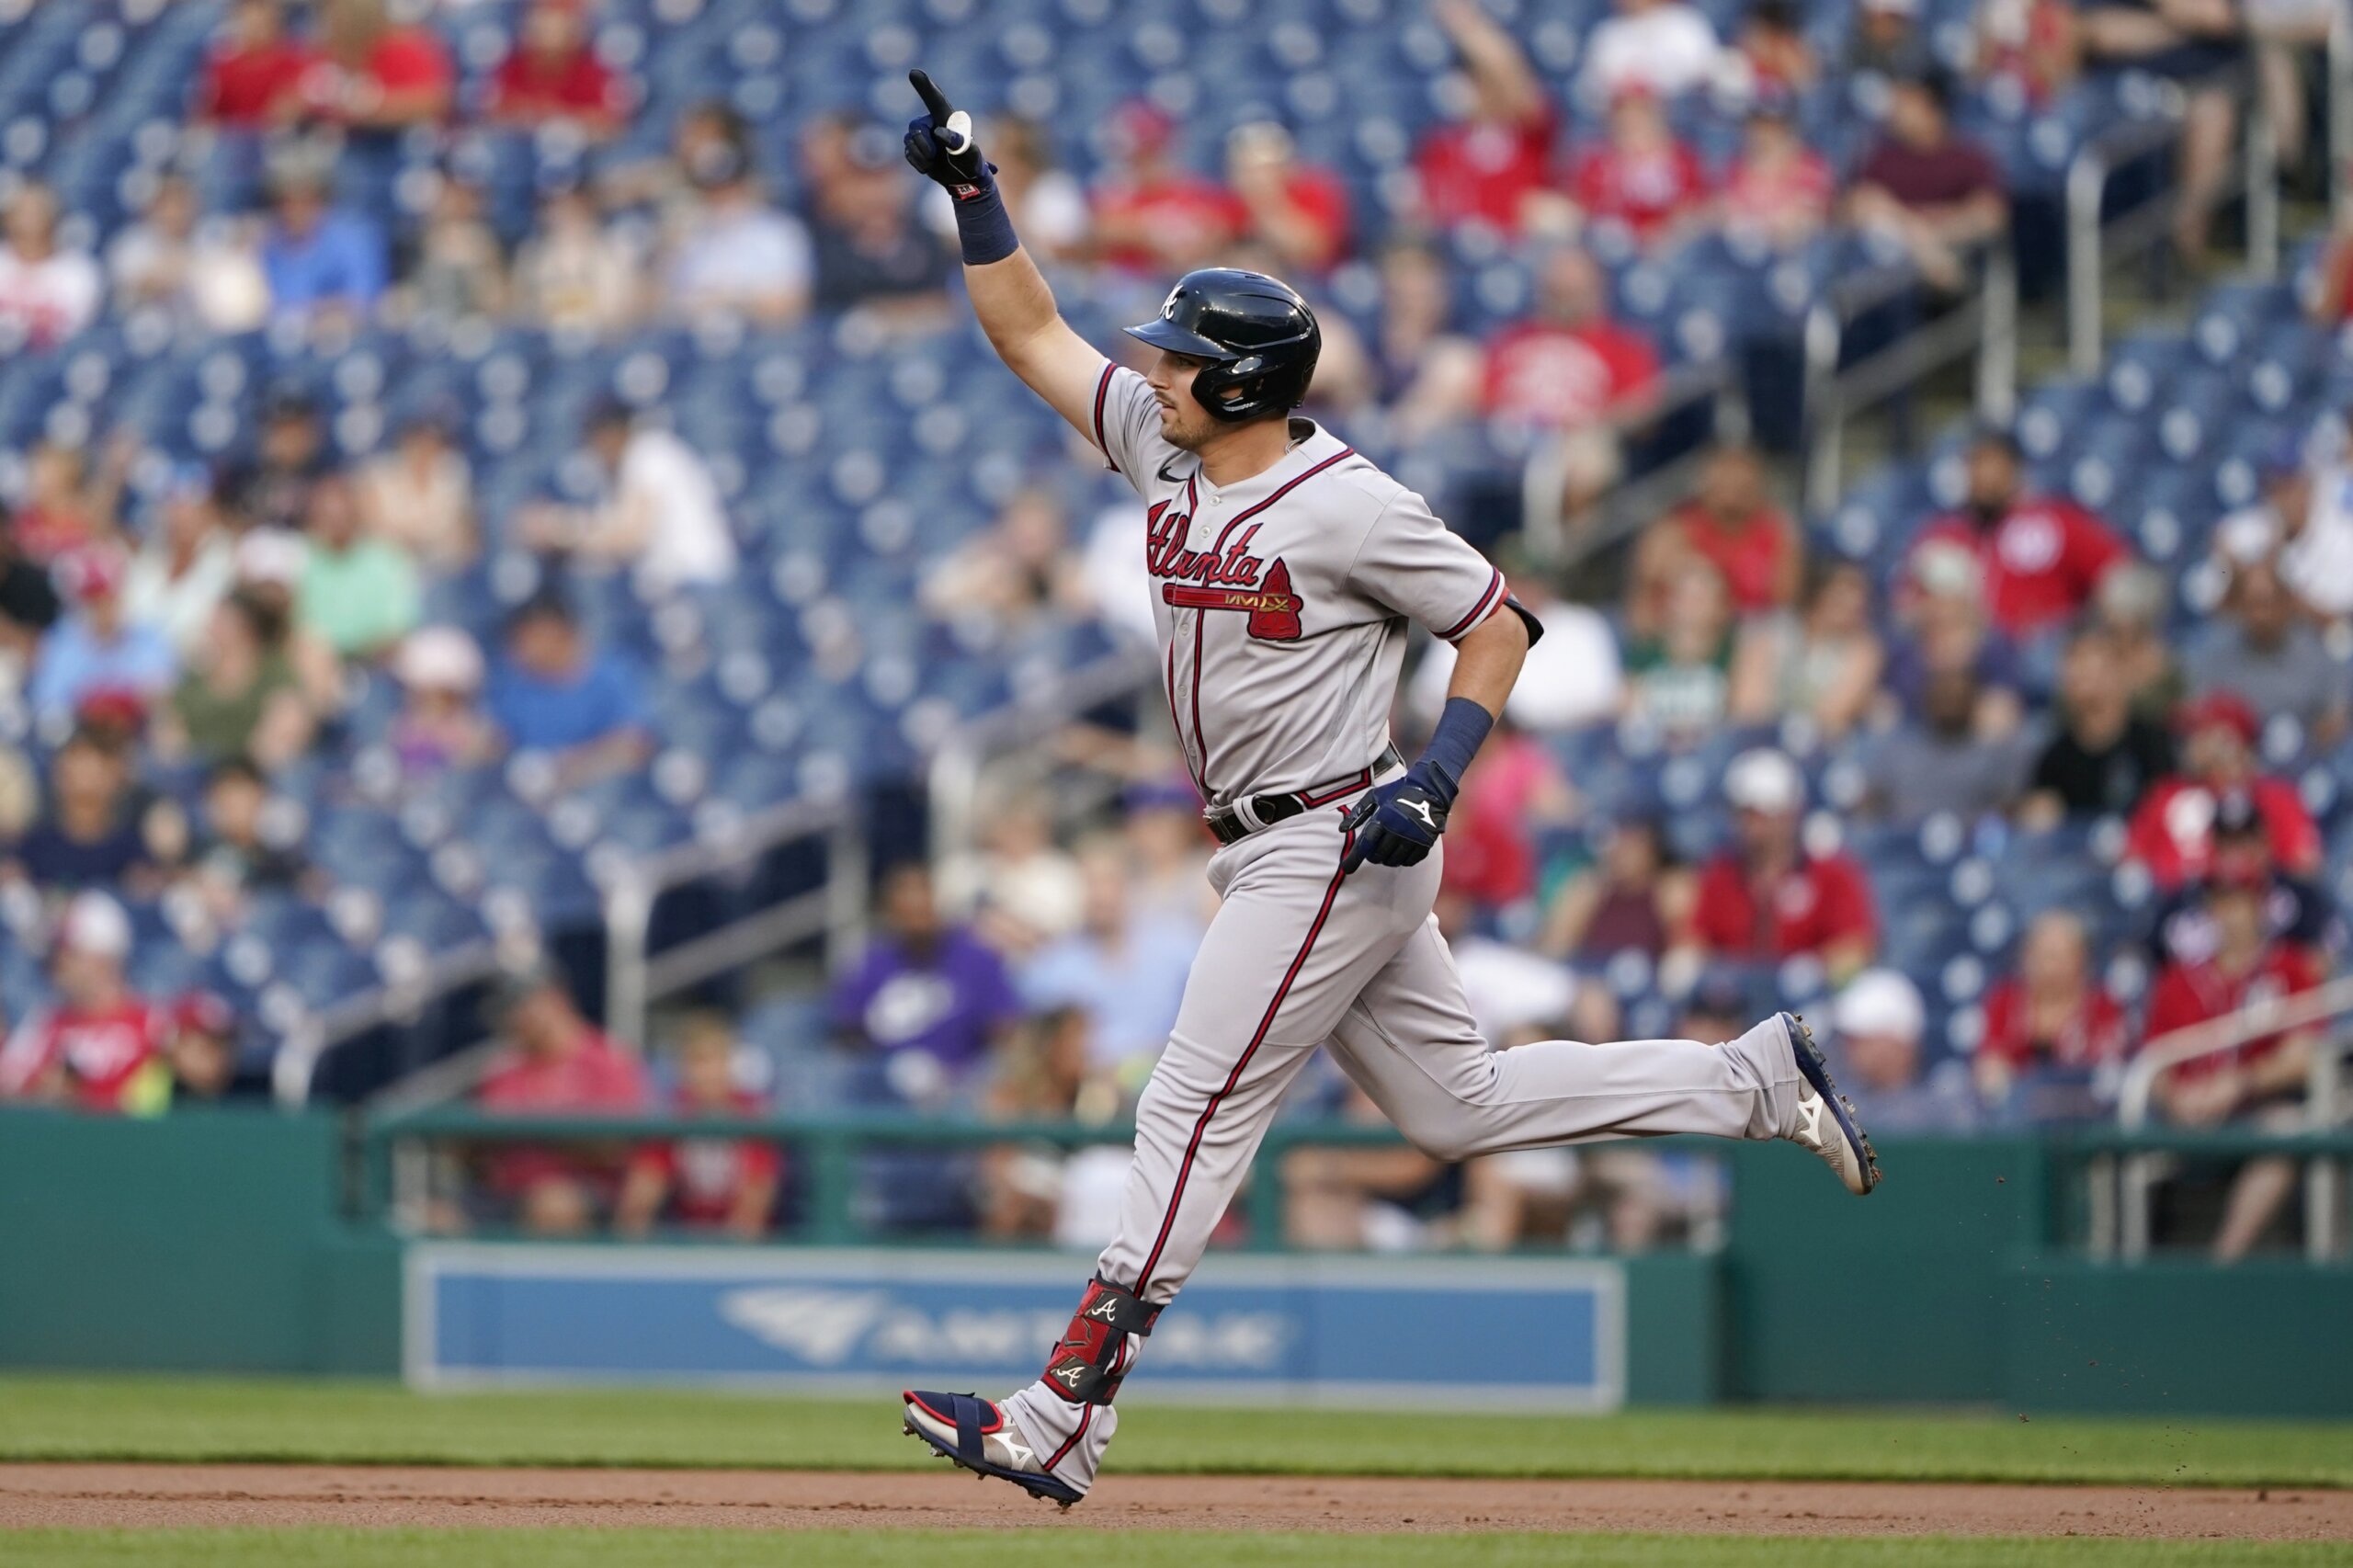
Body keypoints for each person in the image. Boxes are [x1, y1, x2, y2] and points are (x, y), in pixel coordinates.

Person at [895, 68, 1880, 1506]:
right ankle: (1749, 1077)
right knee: (1456, 1106)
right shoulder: (1165, 455)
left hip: (1334, 832)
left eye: (1178, 356)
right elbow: (1029, 330)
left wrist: (1441, 773)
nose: (1154, 369)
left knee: (1189, 1103)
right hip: (1278, 840)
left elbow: (1499, 621)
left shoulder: (1345, 497)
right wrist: (975, 190)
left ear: (1240, 381)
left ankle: (1064, 1414)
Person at [2142, 861, 2325, 1260]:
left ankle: (2221, 1263)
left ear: (2261, 906)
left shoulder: (2289, 967)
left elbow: (2305, 1055)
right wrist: (2176, 1097)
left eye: (2242, 900)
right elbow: (2152, 1063)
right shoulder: (2179, 979)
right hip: (2186, 1119)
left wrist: (2238, 1084)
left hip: (2255, 1112)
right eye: (2221, 901)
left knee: (2287, 1129)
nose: (2231, 913)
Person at [1479, 245, 1662, 524]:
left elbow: (1643, 411)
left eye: (1574, 292)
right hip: (1509, 435)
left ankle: (1565, 563)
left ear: (1597, 291)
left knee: (1587, 469)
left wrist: (1586, 425)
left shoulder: (1623, 346)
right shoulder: (1513, 338)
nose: (1565, 301)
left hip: (1581, 436)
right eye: (1556, 292)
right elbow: (1483, 397)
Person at [473, 967, 648, 1237]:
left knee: (554, 1206)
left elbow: (614, 1146)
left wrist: (538, 1127)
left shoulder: (605, 1060)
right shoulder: (505, 1067)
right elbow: (480, 1141)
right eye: (509, 1011)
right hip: (509, 1191)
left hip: (588, 1191)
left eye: (521, 1007)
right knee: (432, 1216)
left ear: (554, 1000)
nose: (515, 1019)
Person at [1906, 429, 2128, 642]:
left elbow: (2117, 574)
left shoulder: (2054, 524)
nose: (1984, 476)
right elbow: (1907, 604)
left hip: (2040, 655)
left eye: (1992, 464)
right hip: (1969, 659)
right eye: (1976, 464)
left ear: (2014, 469)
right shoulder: (1944, 536)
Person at [1686, 746, 1878, 980]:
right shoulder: (1720, 875)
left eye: (1765, 815)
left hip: (1806, 1009)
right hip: (1734, 1006)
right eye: (1746, 815)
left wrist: (1807, 976)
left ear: (1791, 814)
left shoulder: (1831, 873)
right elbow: (1694, 946)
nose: (1755, 828)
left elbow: (1853, 950)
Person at [1018, 842, 1199, 1089]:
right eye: (1091, 883)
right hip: (1081, 1095)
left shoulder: (1180, 948)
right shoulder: (1051, 966)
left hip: (1172, 1086)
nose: (1101, 895)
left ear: (1132, 886)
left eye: (1110, 881)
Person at [2075, 0, 2245, 264]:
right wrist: (2183, 26)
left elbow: (2217, 18)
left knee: (2212, 112)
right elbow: (2100, 34)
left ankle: (2184, 256)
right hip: (2115, 95)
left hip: (2201, 85)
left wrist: (2170, 23)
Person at [831, 860, 1022, 1089]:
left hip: (960, 1085)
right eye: (908, 914)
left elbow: (1004, 1028)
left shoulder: (976, 959)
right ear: (891, 915)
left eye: (924, 912)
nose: (918, 924)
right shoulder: (869, 963)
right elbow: (847, 1031)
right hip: (883, 1084)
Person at [517, 400, 736, 591]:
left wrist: (560, 529)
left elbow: (630, 536)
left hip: (698, 581)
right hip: (669, 585)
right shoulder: (614, 473)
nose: (598, 446)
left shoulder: (650, 452)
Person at [2126, 691, 2322, 890]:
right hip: (2172, 909)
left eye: (2198, 733)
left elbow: (2304, 867)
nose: (2188, 743)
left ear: (2230, 741)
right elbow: (2131, 859)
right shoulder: (2167, 793)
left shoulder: (2275, 797)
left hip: (2250, 907)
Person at [0, 892, 172, 1115]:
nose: (56, 964)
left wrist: (82, 1097)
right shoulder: (44, 1024)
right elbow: (8, 1087)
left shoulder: (155, 1025)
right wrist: (40, 1095)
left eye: (68, 953)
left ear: (104, 958)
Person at [615, 1013, 780, 1242]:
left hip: (745, 1254)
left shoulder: (753, 1117)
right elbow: (638, 1203)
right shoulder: (673, 1118)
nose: (707, 1073)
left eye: (715, 1060)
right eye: (696, 1061)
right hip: (685, 1241)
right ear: (681, 1069)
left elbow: (752, 1211)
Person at [1846, 71, 2009, 292]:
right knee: (1870, 205)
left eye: (1906, 101)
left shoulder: (1967, 156)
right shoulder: (1881, 156)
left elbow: (1992, 214)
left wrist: (1931, 231)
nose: (1896, 109)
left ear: (1930, 107)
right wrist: (1920, 240)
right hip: (1899, 270)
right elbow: (1856, 207)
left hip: (1956, 258)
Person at [1414, 0, 1563, 234]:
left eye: (1476, 78)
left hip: (1518, 249)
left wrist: (1467, 27)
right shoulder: (1442, 146)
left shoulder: (1526, 133)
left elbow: (1511, 79)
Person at [483, 592, 654, 778]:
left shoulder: (613, 676)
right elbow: (495, 743)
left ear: (560, 632)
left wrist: (573, 766)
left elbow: (635, 745)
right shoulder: (513, 690)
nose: (523, 648)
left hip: (605, 789)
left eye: (532, 637)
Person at [1631, 444, 1802, 631]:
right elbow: (1646, 598)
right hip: (1683, 634)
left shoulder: (1777, 531)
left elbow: (1785, 602)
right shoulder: (1673, 531)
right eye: (1724, 481)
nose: (1732, 491)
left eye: (1741, 485)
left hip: (1752, 634)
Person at [2185, 556, 2351, 746]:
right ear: (2239, 607)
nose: (2260, 616)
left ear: (2286, 603)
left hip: (2306, 760)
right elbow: (2197, 714)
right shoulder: (2214, 653)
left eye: (2267, 603)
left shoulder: (2317, 650)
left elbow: (2335, 718)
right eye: (2251, 605)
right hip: (2237, 763)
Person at [1976, 910, 2129, 1113]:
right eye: (2043, 955)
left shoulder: (2103, 1004)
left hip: (2085, 1112)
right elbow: (1990, 1059)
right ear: (2026, 958)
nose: (2050, 966)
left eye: (2061, 956)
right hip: (2018, 1115)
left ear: (2082, 960)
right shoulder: (2004, 1000)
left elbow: (2107, 1067)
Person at [2020, 627, 2175, 824]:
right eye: (2074, 671)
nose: (2081, 678)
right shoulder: (2055, 759)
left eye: (2091, 669)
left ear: (2118, 673)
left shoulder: (2151, 742)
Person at [808, 121, 955, 320]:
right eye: (864, 179)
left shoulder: (929, 242)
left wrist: (885, 316)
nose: (875, 193)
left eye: (884, 177)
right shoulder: (818, 241)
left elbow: (948, 310)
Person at [1726, 559, 1885, 739]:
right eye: (1840, 601)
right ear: (1818, 595)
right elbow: (1747, 708)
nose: (1848, 612)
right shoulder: (1771, 633)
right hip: (1757, 738)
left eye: (1856, 606)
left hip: (1819, 748)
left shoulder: (1863, 650)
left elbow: (1832, 716)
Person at [157, 590, 314, 771]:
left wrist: (241, 770)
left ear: (247, 627)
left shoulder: (276, 672)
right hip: (197, 769)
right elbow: (171, 728)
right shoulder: (195, 674)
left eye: (222, 619)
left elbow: (286, 725)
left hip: (257, 771)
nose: (212, 625)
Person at [661, 139, 812, 325]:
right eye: (710, 189)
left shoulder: (778, 232)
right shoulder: (692, 238)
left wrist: (730, 302)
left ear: (744, 183)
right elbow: (667, 305)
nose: (720, 196)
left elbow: (792, 304)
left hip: (761, 341)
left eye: (728, 186)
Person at [1859, 664, 2032, 824]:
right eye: (1943, 694)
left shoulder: (1994, 756)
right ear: (1926, 697)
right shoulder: (1897, 750)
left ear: (1973, 700)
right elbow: (1868, 804)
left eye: (1957, 695)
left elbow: (2009, 811)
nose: (1949, 701)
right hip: (1903, 846)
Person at [1086, 101, 1245, 276]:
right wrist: (1147, 232)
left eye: (1154, 153)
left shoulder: (1197, 191)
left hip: (1192, 279)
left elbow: (1224, 230)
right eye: (1140, 157)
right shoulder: (1115, 195)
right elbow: (1099, 234)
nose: (1147, 163)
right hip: (1137, 284)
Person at [106, 174, 270, 335]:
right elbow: (134, 290)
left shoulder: (207, 235)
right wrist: (173, 271)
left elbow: (248, 233)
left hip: (200, 331)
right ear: (153, 208)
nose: (175, 213)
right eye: (167, 205)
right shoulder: (132, 245)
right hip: (148, 332)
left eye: (181, 204)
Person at [29, 550, 177, 726]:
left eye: (110, 599)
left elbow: (164, 692)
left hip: (137, 734)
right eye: (95, 603)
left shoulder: (148, 638)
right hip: (82, 735)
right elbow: (47, 706)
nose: (105, 609)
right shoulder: (62, 644)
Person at [1564, 86, 1712, 252]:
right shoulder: (1598, 164)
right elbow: (1584, 208)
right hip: (1613, 244)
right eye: (1624, 119)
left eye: (1640, 116)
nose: (1633, 123)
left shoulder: (1682, 160)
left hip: (1669, 245)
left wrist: (1662, 231)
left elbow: (1692, 207)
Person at [1828, 969, 1977, 1132]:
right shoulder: (1839, 1105)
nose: (1848, 1048)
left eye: (1859, 1039)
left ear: (1896, 1042)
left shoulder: (1945, 1111)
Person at [296, 473, 420, 661]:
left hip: (377, 663)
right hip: (322, 665)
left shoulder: (387, 557)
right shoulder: (303, 561)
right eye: (327, 516)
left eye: (342, 515)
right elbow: (301, 629)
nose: (336, 523)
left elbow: (398, 629)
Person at [256, 155, 388, 330]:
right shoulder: (269, 242)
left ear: (320, 200)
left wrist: (313, 312)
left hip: (346, 338)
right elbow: (270, 307)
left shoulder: (353, 238)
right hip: (287, 339)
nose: (294, 210)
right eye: (285, 202)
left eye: (305, 200)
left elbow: (363, 301)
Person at [123, 467, 237, 662]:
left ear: (210, 508)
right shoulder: (150, 557)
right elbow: (128, 619)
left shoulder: (228, 559)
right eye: (173, 505)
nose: (179, 515)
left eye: (188, 505)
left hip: (198, 672)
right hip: (138, 669)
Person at [1540, 817, 1692, 961]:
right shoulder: (1590, 888)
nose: (1621, 852)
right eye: (1618, 842)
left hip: (1646, 982)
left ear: (1652, 847)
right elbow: (1553, 952)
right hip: (1591, 979)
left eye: (1631, 844)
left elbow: (1682, 959)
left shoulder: (1669, 891)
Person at [1224, 122, 1352, 274]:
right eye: (1248, 170)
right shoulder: (1229, 202)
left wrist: (1268, 203)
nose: (1258, 177)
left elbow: (1312, 251)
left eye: (1266, 168)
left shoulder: (1313, 191)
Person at [513, 182, 640, 335]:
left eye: (572, 205)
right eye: (555, 206)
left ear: (586, 205)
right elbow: (528, 309)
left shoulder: (613, 249)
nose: (564, 213)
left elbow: (619, 312)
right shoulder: (533, 255)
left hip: (603, 340)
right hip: (549, 342)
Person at [358, 406, 476, 570]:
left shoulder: (451, 477)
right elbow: (373, 531)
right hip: (387, 565)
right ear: (405, 443)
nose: (424, 451)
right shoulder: (380, 475)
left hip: (438, 568)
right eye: (418, 443)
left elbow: (462, 539)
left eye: (432, 445)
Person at [487, 0, 626, 138]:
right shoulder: (514, 68)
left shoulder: (591, 72)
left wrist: (563, 117)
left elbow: (609, 124)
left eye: (559, 34)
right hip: (522, 148)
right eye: (543, 33)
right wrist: (524, 116)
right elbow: (493, 114)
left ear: (573, 39)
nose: (550, 44)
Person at [1720, 96, 1836, 252]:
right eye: (1758, 126)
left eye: (1772, 128)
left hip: (1795, 256)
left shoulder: (1811, 168)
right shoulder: (1736, 166)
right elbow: (1725, 211)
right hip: (1743, 254)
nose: (1763, 135)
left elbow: (1809, 219)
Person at [0, 182, 102, 348]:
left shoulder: (78, 272)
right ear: (7, 219)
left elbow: (76, 339)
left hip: (50, 361)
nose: (28, 220)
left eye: (36, 211)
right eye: (22, 211)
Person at [389, 625, 495, 776]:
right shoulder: (401, 730)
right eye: (420, 693)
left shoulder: (472, 733)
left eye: (439, 694)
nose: (430, 702)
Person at [1580, 0, 1728, 104]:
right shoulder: (1607, 32)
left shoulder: (1685, 22)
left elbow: (1705, 73)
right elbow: (1592, 88)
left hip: (1678, 109)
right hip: (1624, 112)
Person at [199, 0, 312, 131]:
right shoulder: (224, 66)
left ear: (273, 24)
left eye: (262, 25)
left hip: (273, 138)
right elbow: (209, 115)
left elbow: (291, 108)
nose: (256, 30)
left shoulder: (292, 61)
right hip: (233, 138)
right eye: (251, 24)